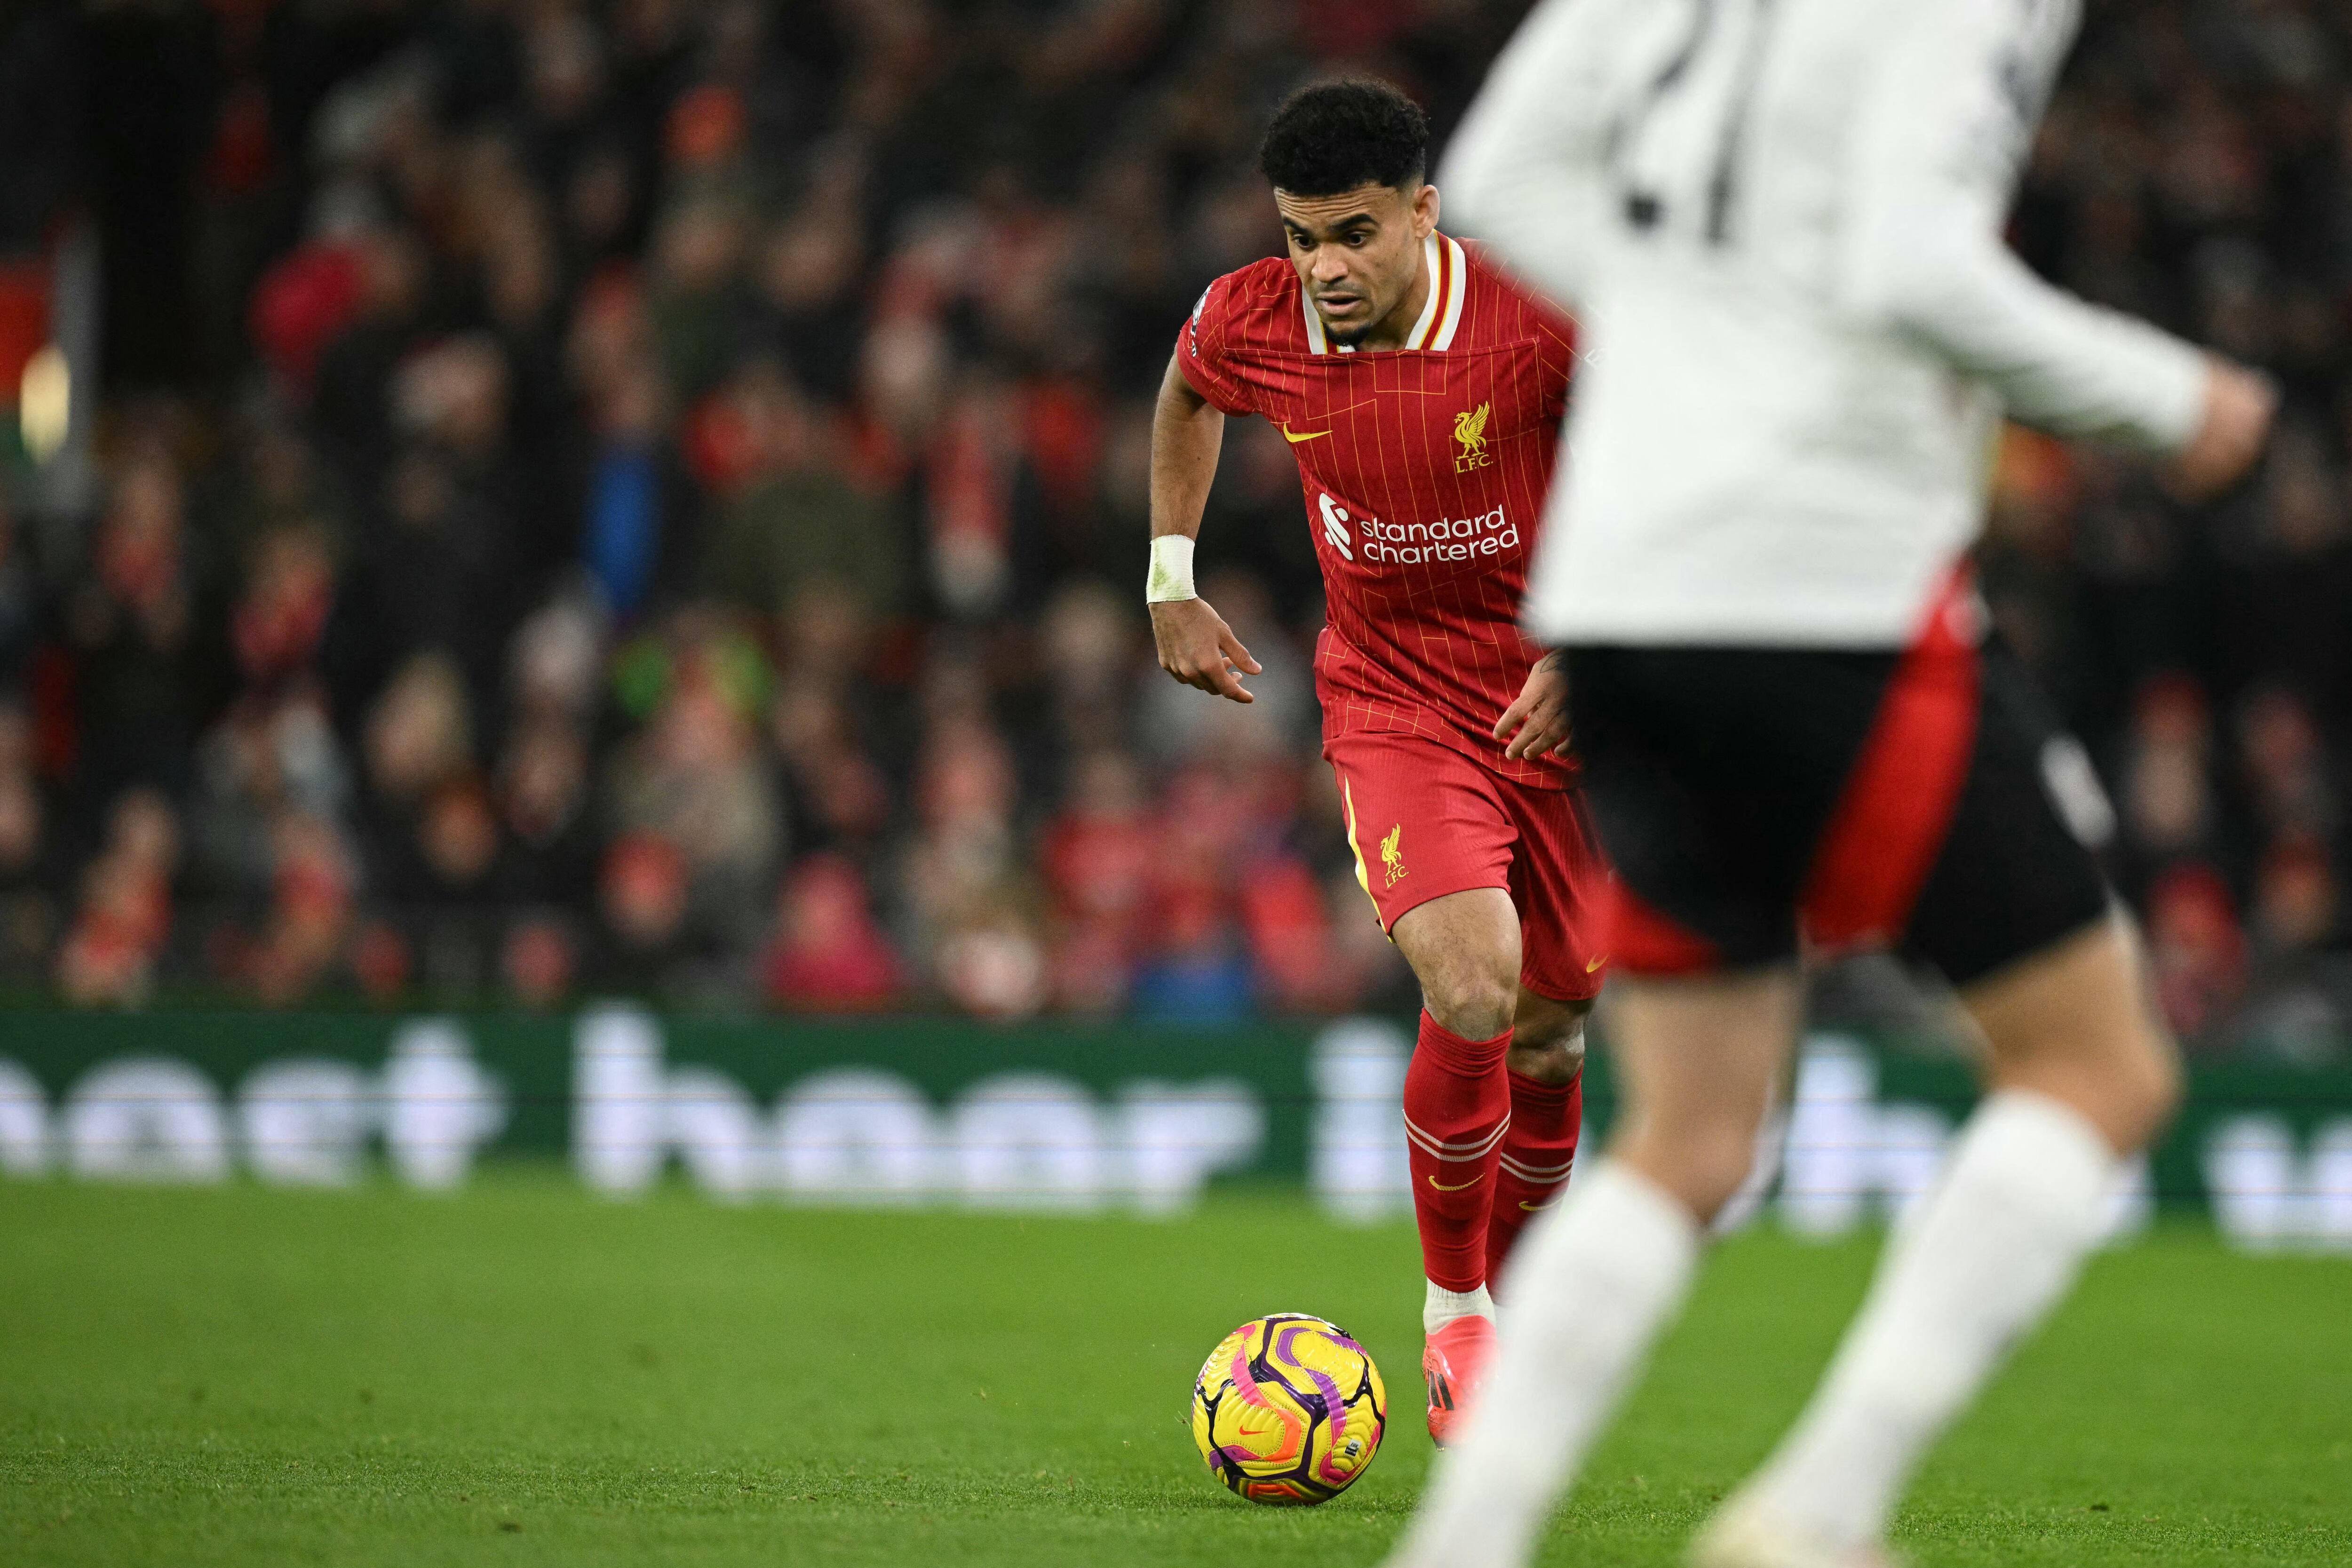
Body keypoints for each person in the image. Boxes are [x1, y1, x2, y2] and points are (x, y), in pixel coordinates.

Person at [1382, 1, 2278, 1564]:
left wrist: (1696, 336)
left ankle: (1461, 1547)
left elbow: (1509, 170)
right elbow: (1911, 265)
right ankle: (1819, 1512)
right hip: (1822, 582)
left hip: (1617, 585)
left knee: (1694, 1134)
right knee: (2099, 1067)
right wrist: (2165, 399)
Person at [1147, 78, 1609, 1442]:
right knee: (1475, 983)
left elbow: (1656, 459)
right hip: (1397, 698)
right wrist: (1168, 575)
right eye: (1300, 238)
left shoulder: (1538, 318)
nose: (1323, 270)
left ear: (1424, 210)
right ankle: (1455, 1307)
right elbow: (1186, 393)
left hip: (1554, 698)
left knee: (1555, 1028)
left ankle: (1515, 1319)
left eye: (1352, 234)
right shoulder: (1251, 318)